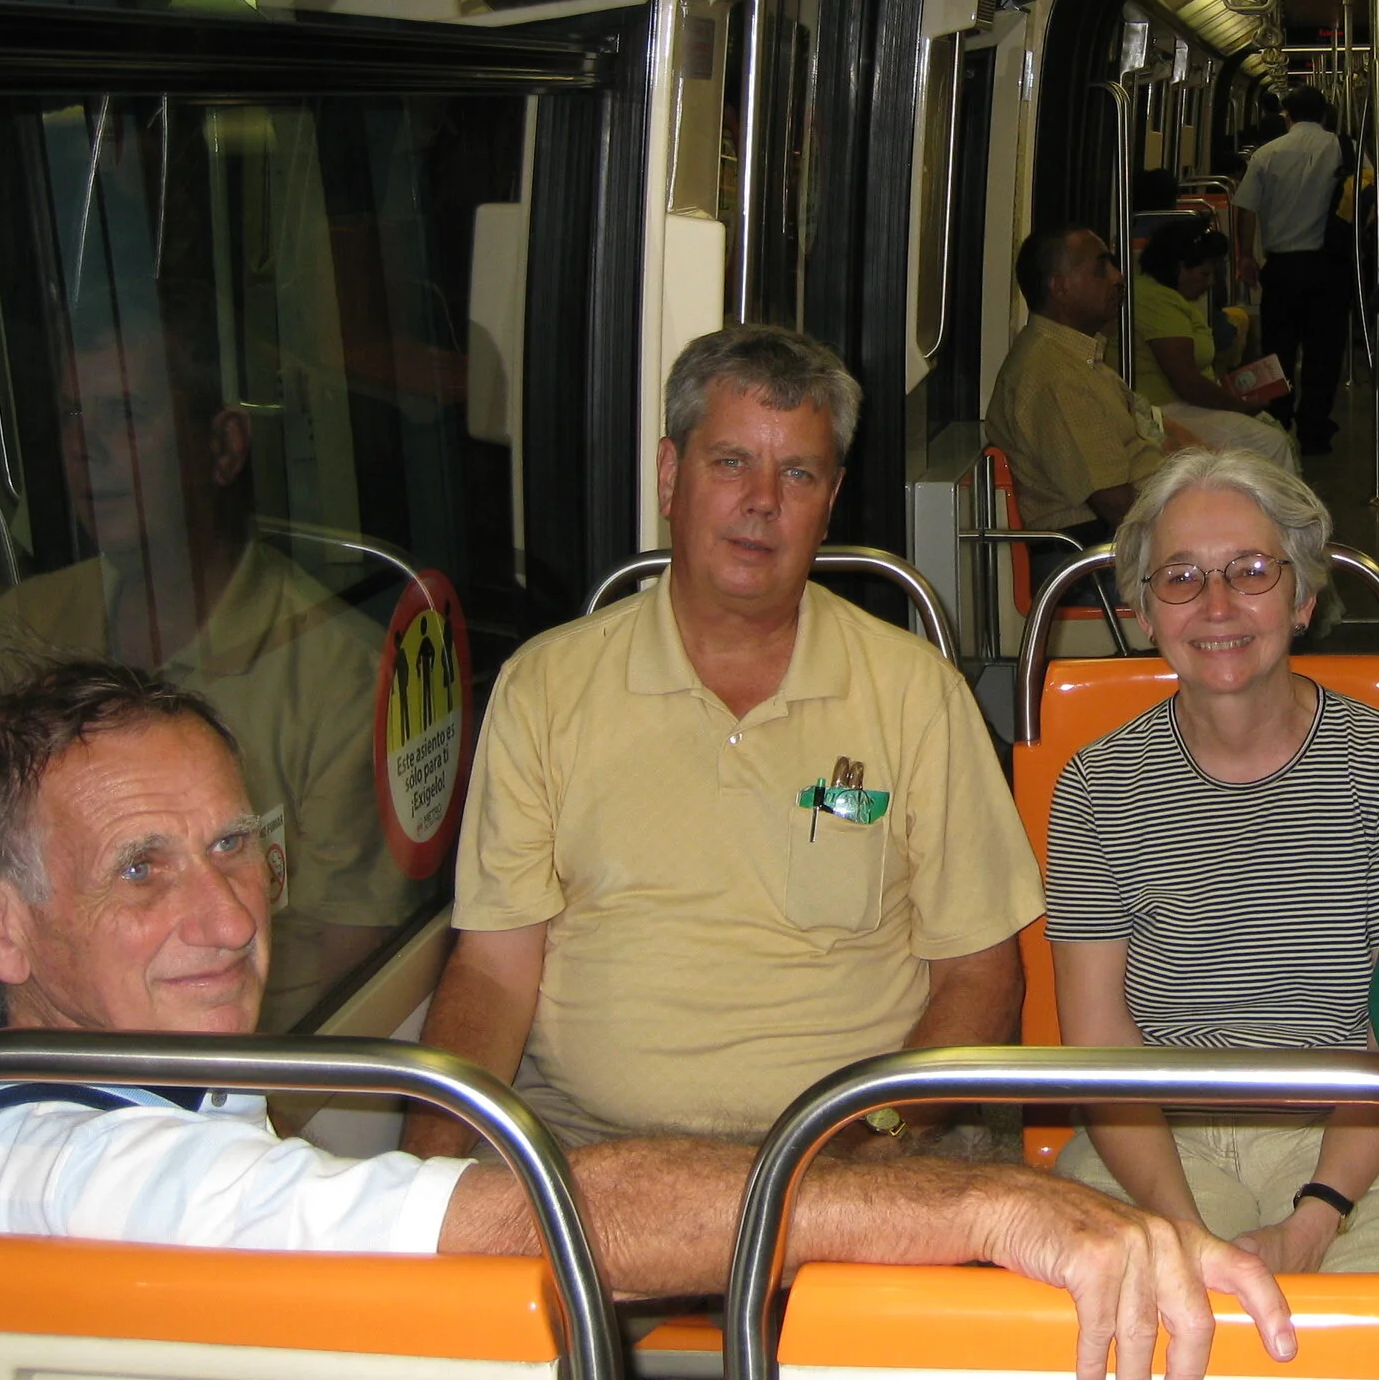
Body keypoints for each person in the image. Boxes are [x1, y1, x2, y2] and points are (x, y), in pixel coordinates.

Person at [0, 661, 1295, 1380]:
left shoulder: (168, 1085)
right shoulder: (79, 1179)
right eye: (140, 867)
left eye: (236, 845)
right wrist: (990, 1205)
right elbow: (538, 1211)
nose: (225, 914)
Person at [408, 326, 1040, 1150]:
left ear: (831, 500)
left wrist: (875, 1132)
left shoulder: (915, 694)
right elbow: (491, 975)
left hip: (852, 1155)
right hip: (588, 1157)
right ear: (672, 476)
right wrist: (419, 1188)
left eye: (799, 473)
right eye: (731, 461)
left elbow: (981, 975)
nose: (763, 501)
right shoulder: (545, 690)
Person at [1046, 450, 1379, 1272]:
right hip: (1159, 1136)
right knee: (1145, 1313)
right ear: (1142, 610)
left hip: (1359, 1130)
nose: (1215, 605)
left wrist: (1316, 1217)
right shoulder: (1098, 786)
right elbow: (1099, 1038)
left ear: (1303, 596)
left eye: (1249, 570)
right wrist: (1184, 1236)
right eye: (1179, 576)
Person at [0, 288, 410, 1031]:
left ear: (223, 447)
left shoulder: (334, 675)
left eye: (127, 415)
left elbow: (346, 964)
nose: (85, 447)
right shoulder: (27, 631)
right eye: (75, 415)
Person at [987, 226, 1170, 545]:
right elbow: (1117, 506)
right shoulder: (1055, 376)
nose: (1118, 278)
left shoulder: (1071, 358)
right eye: (1102, 270)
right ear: (1059, 288)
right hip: (1094, 549)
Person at [1233, 88, 1353, 457]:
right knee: (1325, 351)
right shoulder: (1345, 149)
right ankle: (1315, 429)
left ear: (1287, 114)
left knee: (1277, 349)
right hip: (1330, 264)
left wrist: (1245, 257)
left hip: (1282, 266)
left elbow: (1247, 209)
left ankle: (1278, 421)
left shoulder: (1267, 155)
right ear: (1326, 115)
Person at [1131, 221, 1297, 472]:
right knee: (1270, 443)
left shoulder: (1163, 297)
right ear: (1178, 269)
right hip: (1164, 409)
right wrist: (1237, 405)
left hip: (1179, 403)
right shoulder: (1158, 303)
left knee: (1268, 431)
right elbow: (1187, 382)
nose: (1209, 283)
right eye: (1204, 274)